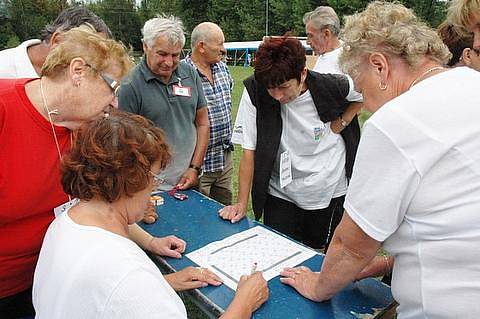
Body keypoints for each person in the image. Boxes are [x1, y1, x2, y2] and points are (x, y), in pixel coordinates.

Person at [279, 2, 480, 318]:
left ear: (379, 66)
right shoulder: (471, 83)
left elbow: (352, 245)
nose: (367, 104)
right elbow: (458, 218)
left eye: (362, 89)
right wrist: (389, 261)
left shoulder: (397, 121)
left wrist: (318, 286)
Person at [0, 28, 185, 318]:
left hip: (47, 278)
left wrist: (150, 242)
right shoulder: (4, 109)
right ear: (78, 71)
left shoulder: (83, 127)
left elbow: (100, 204)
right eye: (113, 88)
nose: (115, 103)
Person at [33, 111, 269, 319]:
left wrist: (162, 284)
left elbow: (96, 298)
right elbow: (124, 287)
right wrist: (243, 304)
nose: (154, 189)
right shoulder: (130, 273)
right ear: (131, 181)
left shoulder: (64, 224)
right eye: (154, 179)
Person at [220, 36, 361, 251]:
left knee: (317, 251)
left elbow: (365, 92)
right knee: (277, 248)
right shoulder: (256, 90)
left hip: (327, 185)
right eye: (271, 88)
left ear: (303, 74)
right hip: (281, 189)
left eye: (284, 87)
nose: (277, 96)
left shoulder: (332, 85)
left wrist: (341, 122)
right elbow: (249, 151)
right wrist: (240, 203)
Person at [119, 16, 209, 194]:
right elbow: (124, 144)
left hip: (189, 180)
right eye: (162, 54)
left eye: (175, 55)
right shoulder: (130, 84)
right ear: (145, 46)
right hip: (150, 189)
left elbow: (202, 123)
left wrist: (194, 168)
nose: (169, 62)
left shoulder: (189, 73)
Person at [183, 22, 234, 205]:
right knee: (199, 212)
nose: (223, 50)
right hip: (197, 163)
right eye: (219, 44)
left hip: (223, 158)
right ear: (201, 46)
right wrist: (192, 167)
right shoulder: (181, 74)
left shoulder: (222, 68)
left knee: (225, 209)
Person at [0, 6, 111, 78]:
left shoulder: (73, 78)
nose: (95, 62)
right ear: (57, 41)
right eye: (90, 51)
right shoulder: (3, 70)